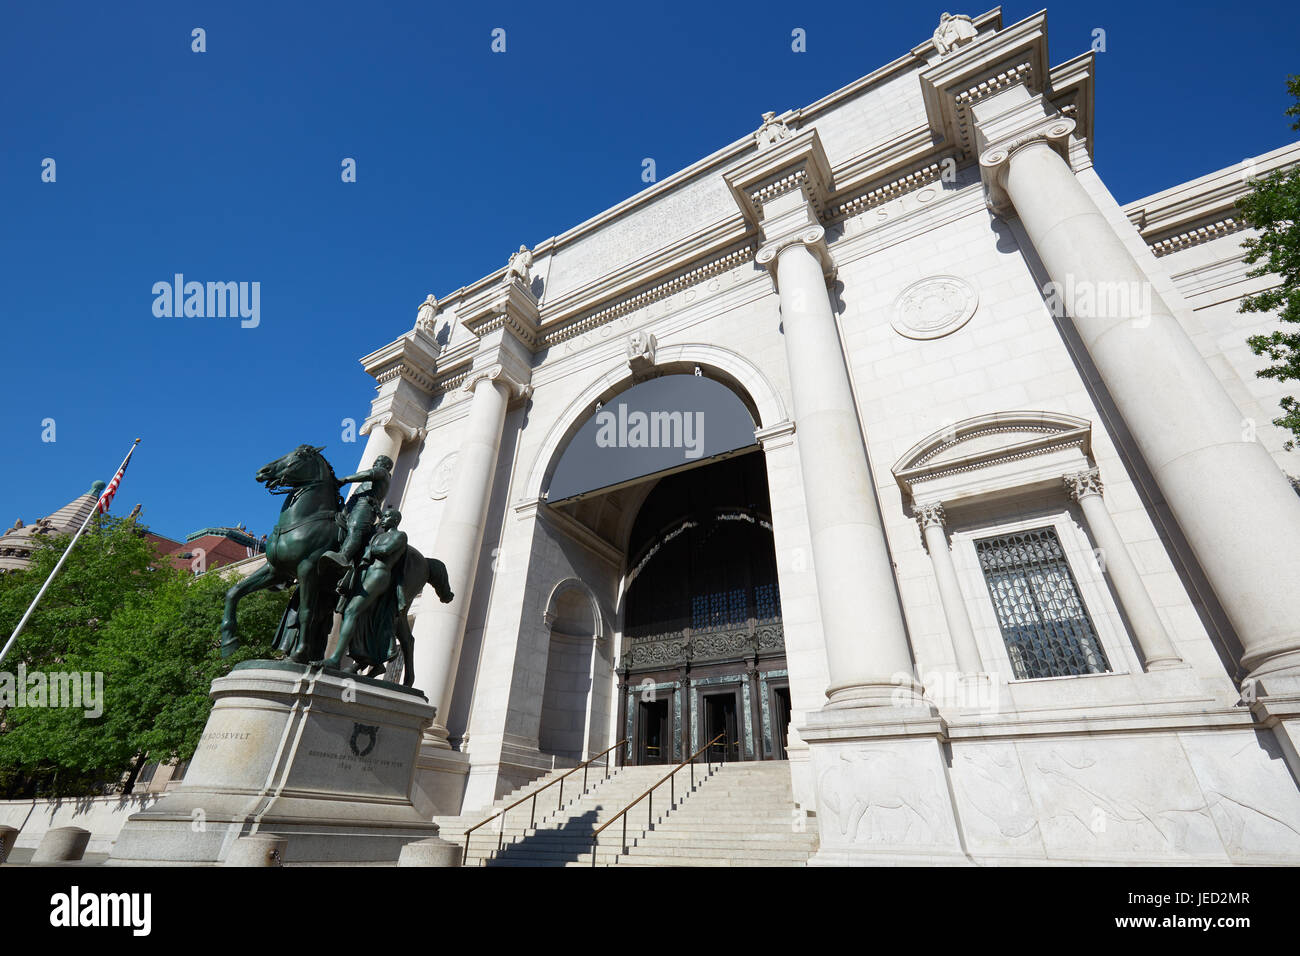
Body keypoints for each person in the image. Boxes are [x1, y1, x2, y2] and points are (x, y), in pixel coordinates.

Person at [320, 454, 392, 571]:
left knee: (355, 527)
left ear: (387, 466)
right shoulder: (377, 477)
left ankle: (344, 557)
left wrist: (345, 479)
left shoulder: (383, 472)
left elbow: (368, 474)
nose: (375, 462)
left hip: (365, 506)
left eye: (379, 461)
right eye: (375, 460)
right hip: (354, 503)